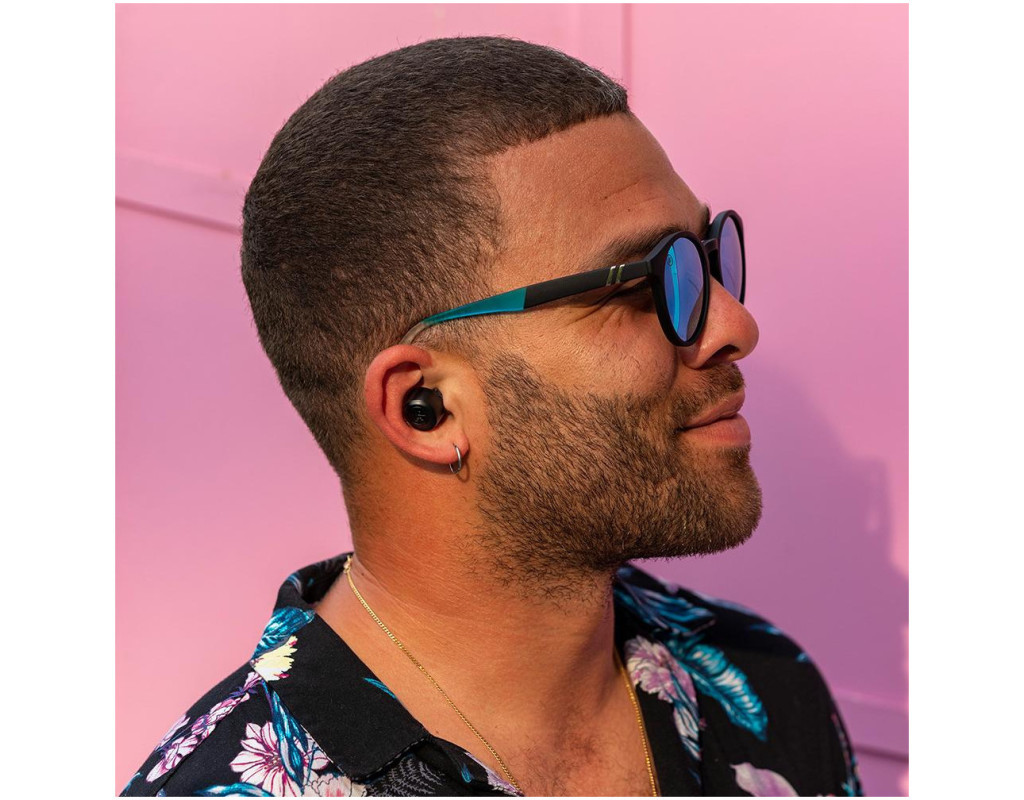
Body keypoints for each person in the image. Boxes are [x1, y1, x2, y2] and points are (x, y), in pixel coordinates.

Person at [121, 36, 863, 797]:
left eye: (707, 258)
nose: (735, 324)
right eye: (644, 285)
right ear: (427, 409)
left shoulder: (761, 686)